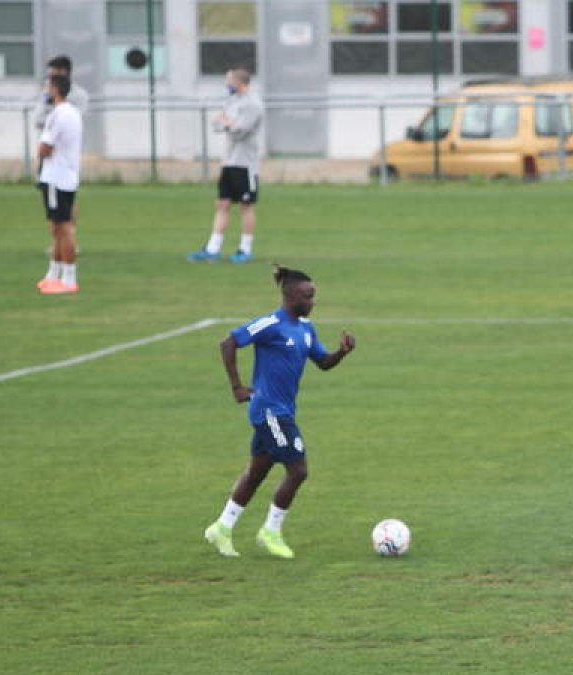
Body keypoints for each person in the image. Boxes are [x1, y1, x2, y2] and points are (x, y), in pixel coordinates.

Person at [204, 266, 356, 558]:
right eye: (308, 296)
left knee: (257, 472)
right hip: (269, 410)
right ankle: (270, 531)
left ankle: (221, 528)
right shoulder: (271, 324)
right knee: (298, 470)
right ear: (291, 296)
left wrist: (342, 352)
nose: (313, 302)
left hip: (283, 410)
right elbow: (229, 342)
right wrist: (237, 387)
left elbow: (322, 362)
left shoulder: (306, 329)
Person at [188, 68, 264, 264]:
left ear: (240, 82)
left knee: (246, 206)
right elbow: (217, 123)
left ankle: (244, 249)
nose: (226, 84)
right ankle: (213, 248)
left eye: (229, 80)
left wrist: (228, 123)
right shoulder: (232, 101)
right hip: (229, 161)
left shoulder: (253, 104)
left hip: (245, 164)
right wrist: (228, 123)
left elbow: (241, 131)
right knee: (222, 204)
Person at [35, 56, 89, 257]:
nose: (48, 81)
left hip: (61, 165)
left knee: (63, 215)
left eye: (52, 75)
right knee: (56, 213)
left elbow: (48, 142)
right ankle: (61, 247)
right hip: (57, 166)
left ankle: (66, 257)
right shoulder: (47, 100)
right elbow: (37, 119)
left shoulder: (71, 105)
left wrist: (43, 149)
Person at [35, 74, 84, 295]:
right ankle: (53, 274)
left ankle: (69, 278)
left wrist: (41, 154)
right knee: (56, 228)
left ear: (55, 89)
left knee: (63, 228)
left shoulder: (57, 115)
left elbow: (45, 146)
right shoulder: (73, 113)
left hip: (56, 177)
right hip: (67, 176)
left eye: (47, 86)